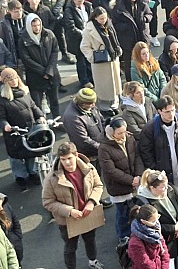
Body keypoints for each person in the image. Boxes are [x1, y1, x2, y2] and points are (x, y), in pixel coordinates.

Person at [41, 141, 105, 269]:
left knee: (90, 241)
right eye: (63, 159)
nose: (67, 163)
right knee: (70, 247)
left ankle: (93, 261)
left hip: (87, 214)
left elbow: (98, 186)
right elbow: (47, 201)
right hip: (67, 221)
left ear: (76, 155)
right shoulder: (51, 178)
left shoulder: (88, 168)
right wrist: (69, 211)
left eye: (69, 158)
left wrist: (91, 202)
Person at [98, 117, 144, 243]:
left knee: (134, 209)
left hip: (134, 181)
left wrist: (138, 175)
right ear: (112, 132)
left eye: (124, 132)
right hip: (118, 186)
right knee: (122, 213)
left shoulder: (129, 138)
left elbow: (137, 157)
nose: (123, 136)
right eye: (119, 133)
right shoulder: (104, 148)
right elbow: (111, 171)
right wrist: (131, 180)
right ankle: (123, 236)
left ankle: (135, 233)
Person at [0, 68, 45, 189]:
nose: (14, 81)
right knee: (16, 156)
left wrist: (40, 115)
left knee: (31, 152)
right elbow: (1, 117)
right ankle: (20, 176)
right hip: (14, 133)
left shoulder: (24, 91)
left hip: (29, 129)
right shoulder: (2, 99)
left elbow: (33, 106)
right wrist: (6, 126)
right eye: (10, 80)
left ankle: (32, 172)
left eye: (15, 78)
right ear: (5, 82)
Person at [139, 95, 178, 184]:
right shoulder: (150, 128)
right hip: (163, 173)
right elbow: (146, 151)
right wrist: (155, 170)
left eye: (172, 110)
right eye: (167, 112)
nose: (171, 114)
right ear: (159, 111)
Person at [135, 169, 178, 267]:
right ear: (152, 188)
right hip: (162, 242)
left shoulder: (170, 188)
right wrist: (173, 229)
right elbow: (149, 226)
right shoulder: (143, 202)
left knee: (174, 261)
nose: (166, 188)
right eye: (162, 187)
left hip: (176, 238)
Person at [19, 13, 60, 119]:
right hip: (35, 76)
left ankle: (57, 120)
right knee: (37, 103)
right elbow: (26, 59)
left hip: (51, 74)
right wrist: (43, 72)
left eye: (38, 25)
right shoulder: (23, 39)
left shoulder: (49, 34)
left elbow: (55, 52)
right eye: (34, 26)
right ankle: (41, 124)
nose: (37, 28)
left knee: (54, 100)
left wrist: (49, 71)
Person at [80, 6, 122, 110]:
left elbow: (115, 40)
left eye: (105, 18)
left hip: (113, 58)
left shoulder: (109, 25)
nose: (104, 21)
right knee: (104, 85)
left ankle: (115, 99)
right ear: (95, 18)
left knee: (115, 81)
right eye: (101, 19)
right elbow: (84, 47)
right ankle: (105, 103)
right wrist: (92, 57)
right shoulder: (89, 30)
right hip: (100, 61)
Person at [111, 0, 152, 81]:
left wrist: (146, 19)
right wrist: (127, 26)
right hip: (128, 39)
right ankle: (130, 83)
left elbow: (149, 13)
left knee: (145, 59)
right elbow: (115, 24)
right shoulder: (119, 7)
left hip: (142, 36)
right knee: (129, 62)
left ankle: (146, 79)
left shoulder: (141, 3)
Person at [127, 204, 170, 268]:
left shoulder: (155, 230)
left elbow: (164, 249)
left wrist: (164, 266)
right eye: (153, 221)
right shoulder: (135, 242)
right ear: (143, 221)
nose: (157, 223)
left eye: (157, 218)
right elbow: (144, 264)